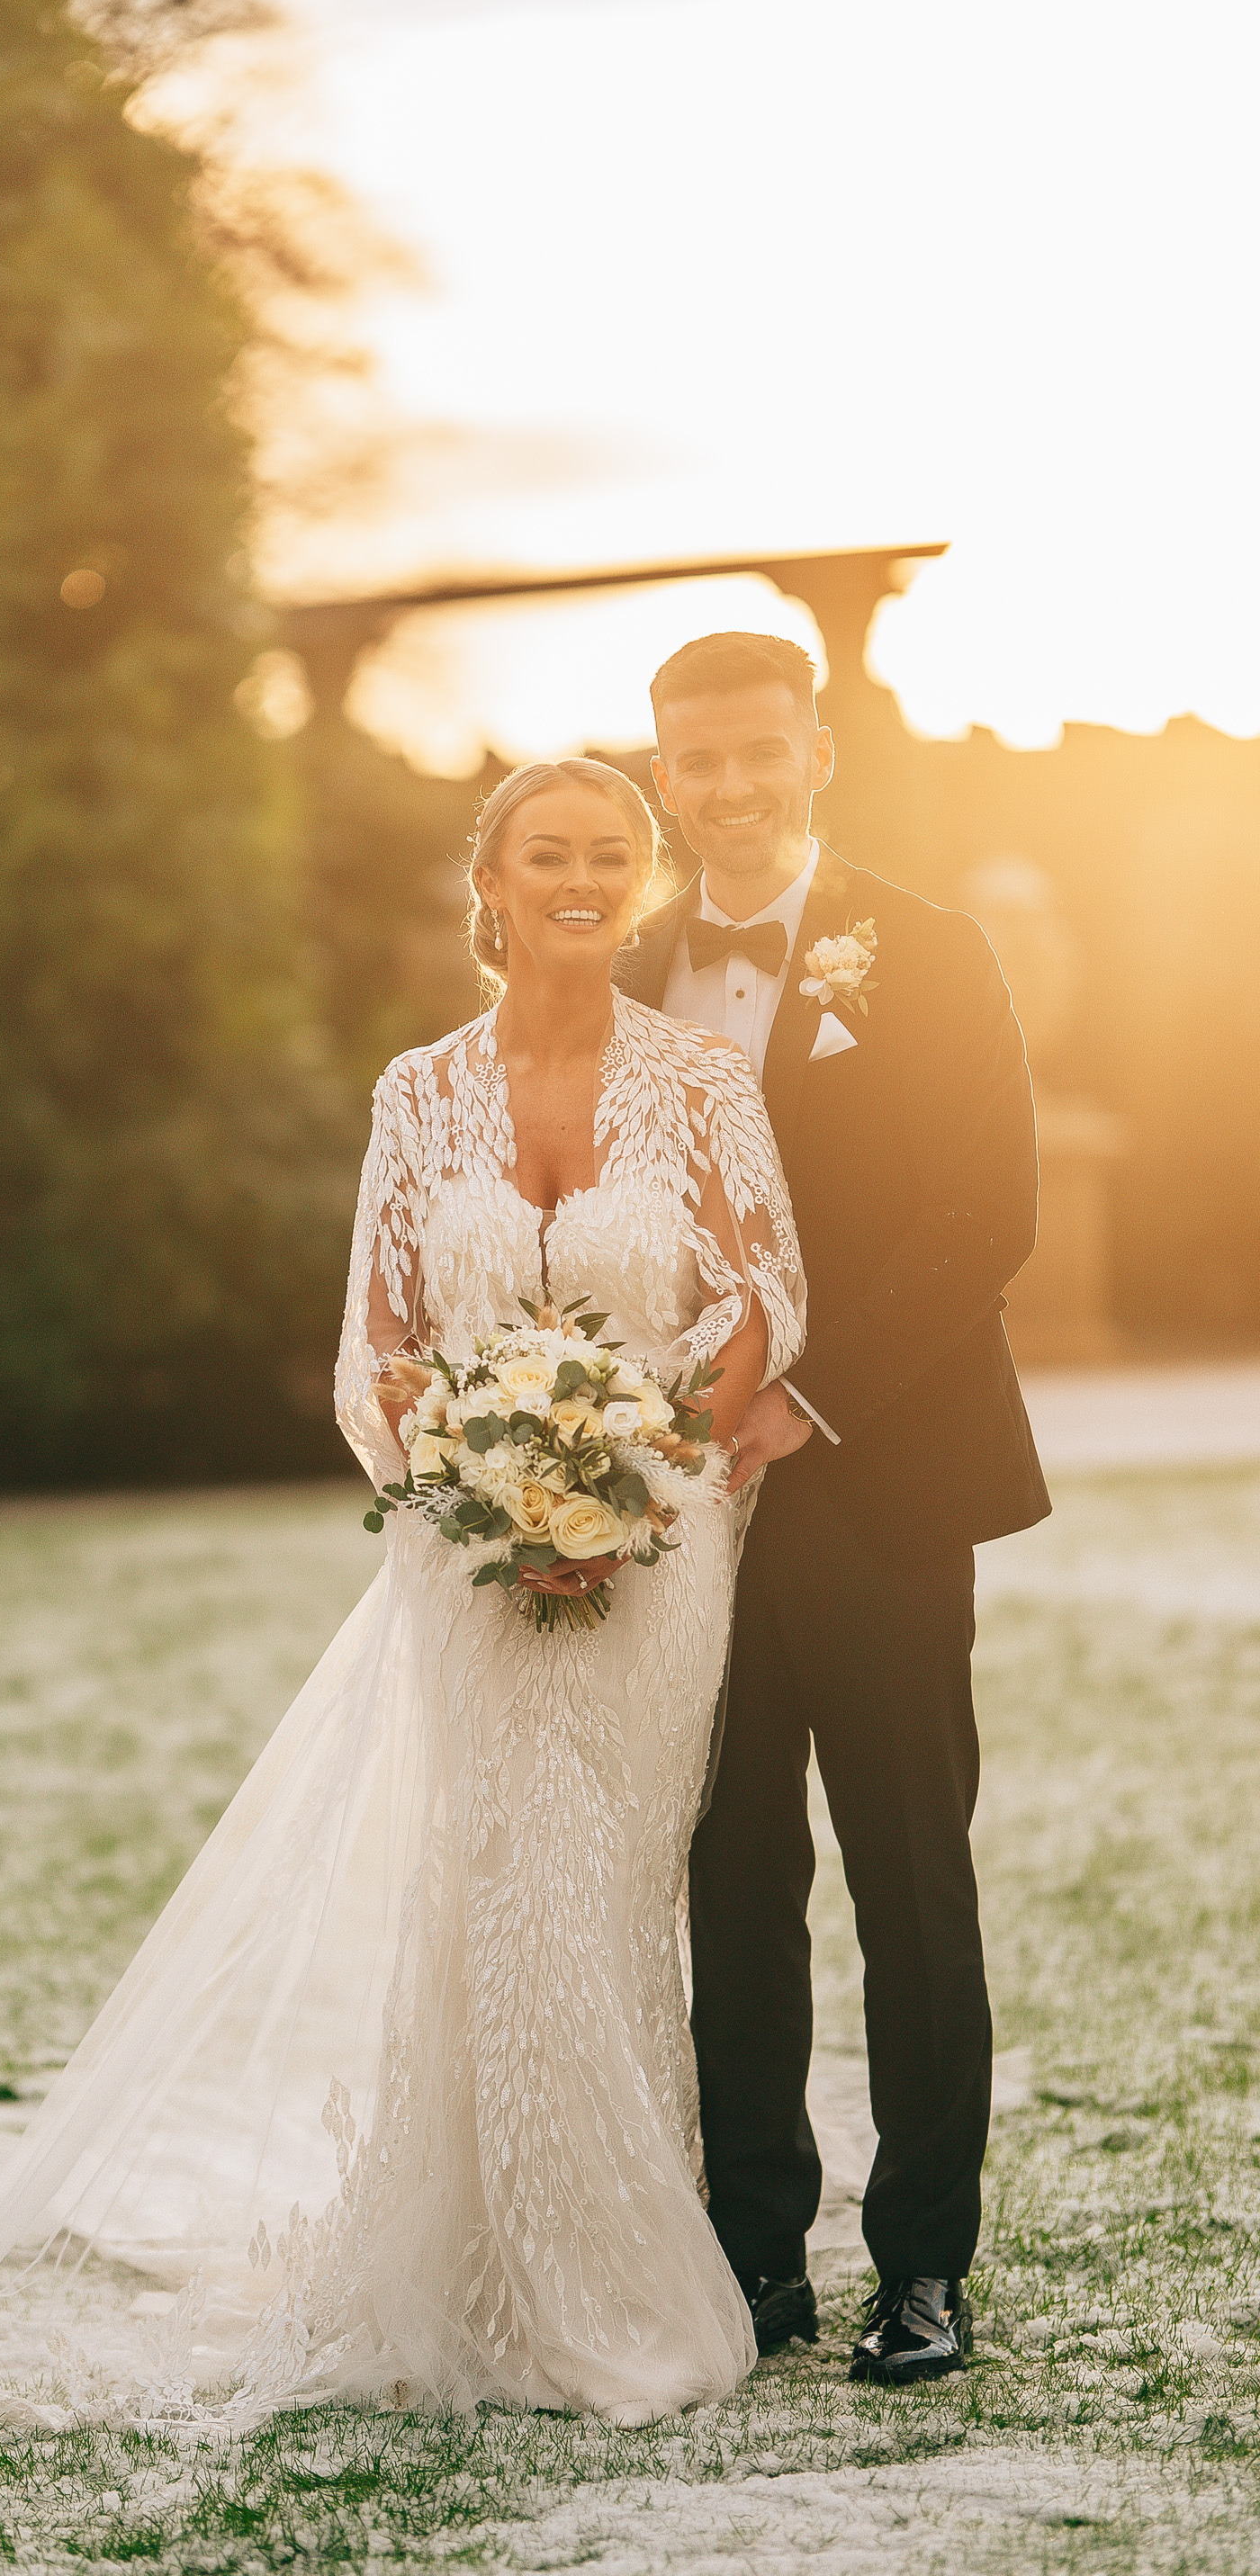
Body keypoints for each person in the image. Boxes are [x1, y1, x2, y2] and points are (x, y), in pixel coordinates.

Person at [0, 757, 806, 2427]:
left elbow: (760, 1308)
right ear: (493, 883)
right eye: (547, 855)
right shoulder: (416, 1091)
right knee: (494, 1882)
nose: (579, 879)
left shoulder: (704, 1082)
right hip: (472, 1559)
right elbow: (375, 1352)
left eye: (609, 856)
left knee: (585, 1891)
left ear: (641, 884)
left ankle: (603, 2285)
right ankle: (505, 2285)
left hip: (654, 1559)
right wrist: (485, 1494)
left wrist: (631, 1486)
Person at [623, 633, 1049, 2385]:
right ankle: (750, 2257)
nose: (724, 786)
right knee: (727, 1877)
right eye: (692, 760)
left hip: (881, 1487)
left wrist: (811, 1395)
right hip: (689, 1515)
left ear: (813, 755)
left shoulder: (929, 947)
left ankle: (922, 2265)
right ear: (663, 772)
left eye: (754, 753)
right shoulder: (627, 967)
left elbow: (988, 1204)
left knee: (905, 1874)